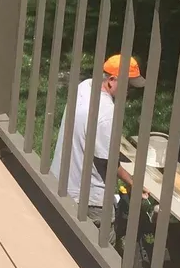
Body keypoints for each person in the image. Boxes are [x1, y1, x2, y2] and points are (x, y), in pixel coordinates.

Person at [49, 54, 145, 220]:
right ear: (112, 80)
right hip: (87, 194)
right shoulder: (106, 112)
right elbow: (107, 162)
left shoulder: (85, 87)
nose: (130, 91)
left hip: (60, 176)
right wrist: (133, 183)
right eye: (128, 85)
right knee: (102, 238)